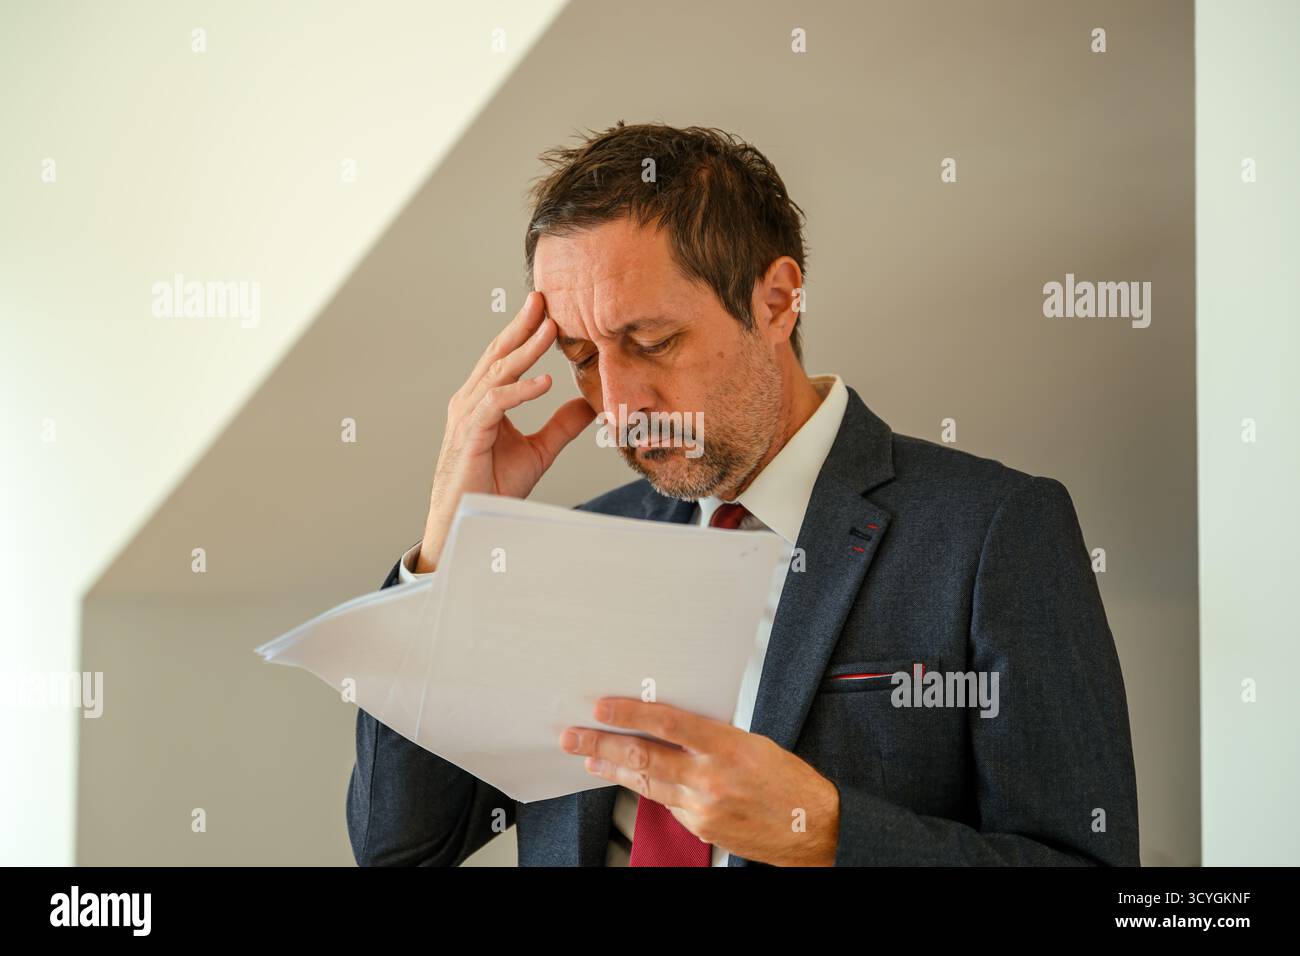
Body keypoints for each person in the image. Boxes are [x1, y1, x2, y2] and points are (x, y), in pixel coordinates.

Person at [346, 121, 1140, 867]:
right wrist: (449, 547)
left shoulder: (992, 531)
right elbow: (399, 846)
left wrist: (826, 833)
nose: (618, 407)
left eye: (651, 342)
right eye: (584, 357)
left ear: (777, 300)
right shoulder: (573, 550)